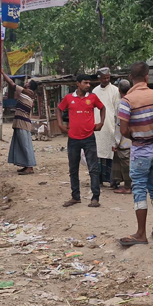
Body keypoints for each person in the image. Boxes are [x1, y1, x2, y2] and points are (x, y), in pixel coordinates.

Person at [117, 62, 153, 246]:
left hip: (140, 150)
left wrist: (136, 135)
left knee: (139, 189)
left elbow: (123, 130)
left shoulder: (127, 100)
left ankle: (141, 233)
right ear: (147, 77)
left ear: (131, 78)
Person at [56, 74, 105, 208]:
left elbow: (102, 108)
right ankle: (75, 197)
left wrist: (101, 123)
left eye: (89, 83)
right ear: (78, 83)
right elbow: (59, 109)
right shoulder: (69, 98)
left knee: (93, 168)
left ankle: (95, 198)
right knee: (73, 169)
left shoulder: (92, 98)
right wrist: (60, 125)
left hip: (89, 137)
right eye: (85, 83)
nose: (88, 85)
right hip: (73, 138)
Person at [1, 71, 38, 175]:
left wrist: (2, 72)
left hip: (23, 123)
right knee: (20, 144)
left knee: (25, 145)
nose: (25, 82)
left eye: (27, 82)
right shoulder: (30, 94)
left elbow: (11, 83)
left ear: (29, 85)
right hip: (21, 122)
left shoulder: (26, 92)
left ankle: (30, 167)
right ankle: (25, 165)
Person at [92, 68, 121, 189]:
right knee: (98, 154)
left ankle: (113, 181)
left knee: (111, 155)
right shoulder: (95, 91)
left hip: (110, 126)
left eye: (108, 77)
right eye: (104, 78)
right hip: (98, 127)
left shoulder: (115, 90)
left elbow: (117, 110)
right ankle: (98, 180)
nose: (106, 80)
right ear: (99, 78)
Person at [112, 79, 133, 194]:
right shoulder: (133, 100)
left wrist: (115, 142)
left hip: (124, 140)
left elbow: (118, 125)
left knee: (125, 165)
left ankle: (127, 186)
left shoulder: (121, 103)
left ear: (119, 90)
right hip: (134, 138)